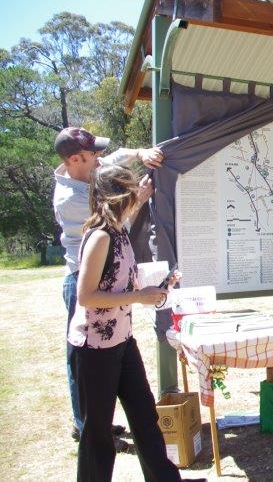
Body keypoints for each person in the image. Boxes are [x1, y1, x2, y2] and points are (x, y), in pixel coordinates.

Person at [70, 164, 199, 482]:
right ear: (118, 196)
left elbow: (119, 280)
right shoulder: (101, 236)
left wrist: (157, 287)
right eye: (130, 191)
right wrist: (140, 297)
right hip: (94, 349)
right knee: (98, 433)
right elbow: (86, 296)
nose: (135, 197)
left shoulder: (118, 228)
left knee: (144, 415)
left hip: (122, 342)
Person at [53, 127, 163, 447]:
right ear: (76, 159)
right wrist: (138, 199)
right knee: (86, 360)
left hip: (100, 277)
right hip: (83, 281)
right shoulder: (73, 198)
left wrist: (141, 153)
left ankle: (94, 422)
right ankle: (88, 426)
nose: (99, 158)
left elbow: (115, 157)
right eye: (92, 155)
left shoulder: (87, 171)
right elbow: (112, 220)